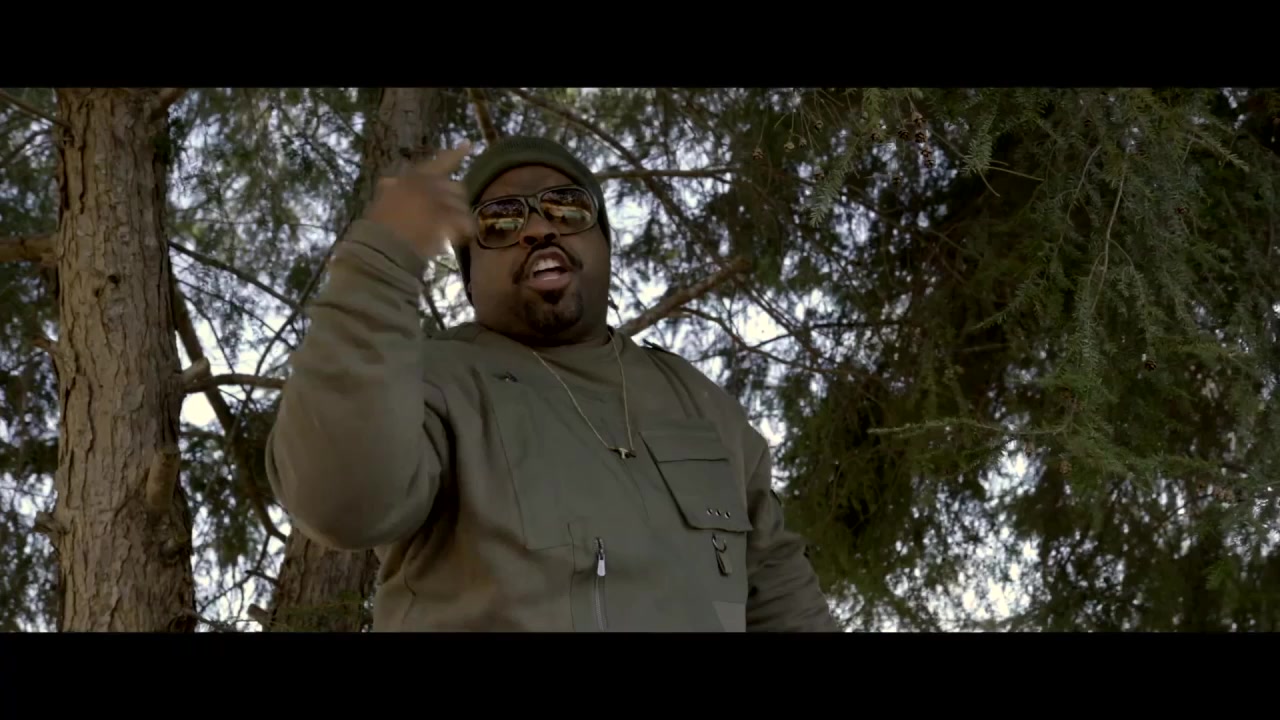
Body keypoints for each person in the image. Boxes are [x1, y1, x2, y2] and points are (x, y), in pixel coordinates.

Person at [265, 136, 839, 632]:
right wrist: (381, 259)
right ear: (470, 277)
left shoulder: (702, 403)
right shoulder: (428, 380)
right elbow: (340, 503)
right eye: (501, 220)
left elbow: (781, 594)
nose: (539, 229)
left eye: (566, 207)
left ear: (604, 244)